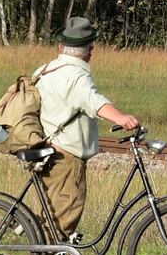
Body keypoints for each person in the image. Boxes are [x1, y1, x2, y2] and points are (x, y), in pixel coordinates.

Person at [33, 16, 139, 243]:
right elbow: (95, 101)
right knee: (62, 220)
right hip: (66, 156)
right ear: (91, 51)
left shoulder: (44, 70)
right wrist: (121, 118)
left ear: (60, 46)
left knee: (51, 215)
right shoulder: (77, 77)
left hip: (46, 150)